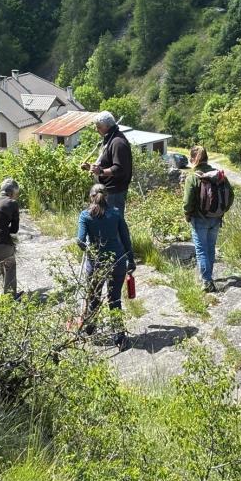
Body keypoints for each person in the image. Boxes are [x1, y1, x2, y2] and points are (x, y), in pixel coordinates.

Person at [77, 183, 136, 347]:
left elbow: (80, 240)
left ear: (90, 197)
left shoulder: (85, 216)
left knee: (94, 297)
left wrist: (89, 249)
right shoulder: (116, 214)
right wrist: (130, 260)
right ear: (107, 197)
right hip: (117, 261)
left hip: (95, 263)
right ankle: (120, 337)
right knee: (115, 299)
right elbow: (126, 239)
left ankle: (90, 329)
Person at [183, 146, 234, 292]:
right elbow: (231, 196)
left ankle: (206, 281)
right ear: (207, 158)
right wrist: (222, 211)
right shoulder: (219, 175)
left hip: (199, 219)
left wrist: (187, 214)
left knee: (201, 250)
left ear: (193, 159)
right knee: (210, 248)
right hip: (216, 218)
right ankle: (209, 277)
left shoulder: (193, 177)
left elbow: (187, 202)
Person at [80, 111, 132, 215]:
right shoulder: (110, 138)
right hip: (107, 191)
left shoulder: (118, 142)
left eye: (99, 126)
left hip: (114, 192)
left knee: (113, 223)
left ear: (107, 126)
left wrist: (101, 171)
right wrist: (90, 167)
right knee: (105, 222)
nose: (96, 129)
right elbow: (107, 164)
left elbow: (119, 169)